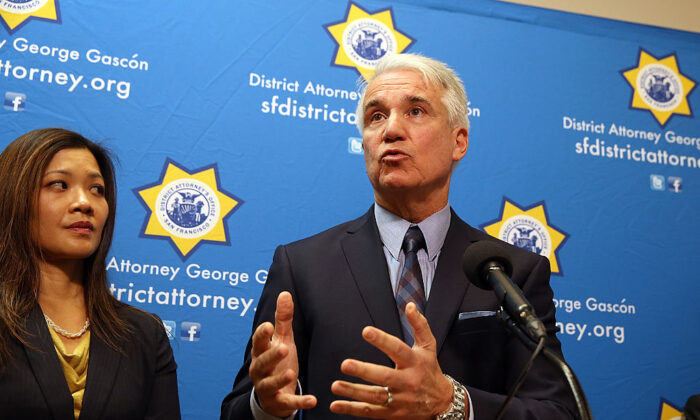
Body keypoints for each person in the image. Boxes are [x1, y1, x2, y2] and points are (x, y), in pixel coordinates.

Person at [221, 53, 577, 419]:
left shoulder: (512, 271)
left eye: (416, 111)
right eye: (376, 117)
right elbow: (237, 410)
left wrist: (453, 403)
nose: (391, 130)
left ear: (459, 142)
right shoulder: (303, 266)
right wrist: (266, 405)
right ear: (364, 145)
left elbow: (559, 412)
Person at [0, 128, 181, 419]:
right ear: (13, 197)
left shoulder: (144, 333)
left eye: (97, 189)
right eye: (59, 184)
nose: (84, 202)